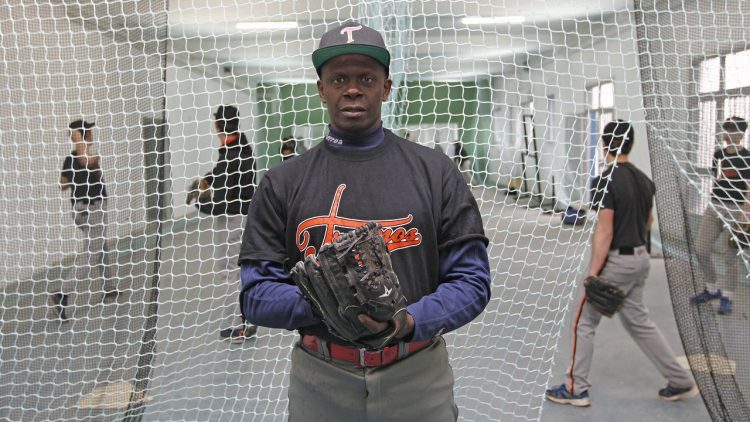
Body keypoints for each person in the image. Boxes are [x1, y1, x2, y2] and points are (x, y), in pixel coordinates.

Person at [238, 22, 491, 421]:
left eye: (366, 78)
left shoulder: (436, 172)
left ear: (385, 88)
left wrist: (407, 321)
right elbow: (255, 294)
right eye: (339, 78)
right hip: (321, 377)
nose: (352, 88)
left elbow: (472, 282)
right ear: (322, 89)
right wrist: (330, 309)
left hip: (416, 372)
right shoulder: (283, 181)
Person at [545, 120, 696, 407]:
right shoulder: (643, 179)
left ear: (604, 145)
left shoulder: (604, 180)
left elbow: (605, 230)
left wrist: (592, 273)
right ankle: (681, 380)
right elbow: (648, 221)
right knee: (640, 322)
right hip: (640, 258)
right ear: (630, 144)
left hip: (617, 262)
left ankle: (576, 388)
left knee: (583, 322)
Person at [192, 105, 258, 342]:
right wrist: (208, 179)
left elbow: (221, 200)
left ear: (217, 125)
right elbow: (223, 172)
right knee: (234, 270)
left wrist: (200, 201)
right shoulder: (239, 146)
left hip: (232, 217)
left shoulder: (231, 154)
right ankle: (245, 319)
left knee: (228, 271)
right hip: (239, 215)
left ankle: (237, 327)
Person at [55, 120, 117, 321]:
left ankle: (109, 287)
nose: (91, 133)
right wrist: (80, 144)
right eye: (88, 131)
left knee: (100, 246)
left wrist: (76, 178)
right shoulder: (81, 156)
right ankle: (62, 293)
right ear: (83, 135)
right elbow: (84, 164)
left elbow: (63, 184)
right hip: (92, 209)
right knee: (92, 252)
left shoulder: (71, 159)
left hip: (80, 211)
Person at [691, 116, 750, 315]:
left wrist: (746, 212)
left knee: (730, 256)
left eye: (733, 131)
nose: (728, 134)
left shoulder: (748, 157)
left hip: (737, 209)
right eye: (726, 130)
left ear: (741, 135)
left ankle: (727, 297)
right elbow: (717, 177)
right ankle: (712, 289)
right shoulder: (718, 155)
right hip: (715, 206)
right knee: (701, 249)